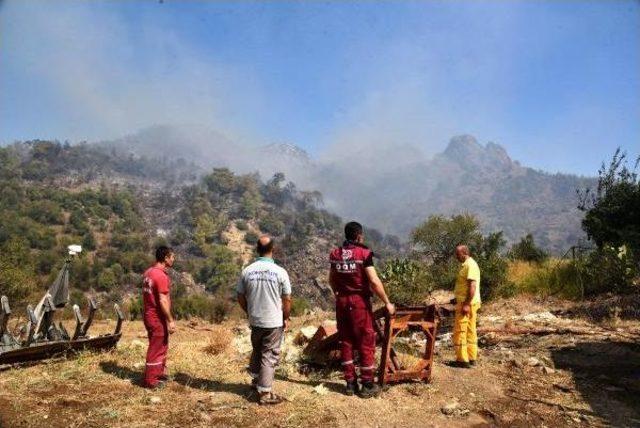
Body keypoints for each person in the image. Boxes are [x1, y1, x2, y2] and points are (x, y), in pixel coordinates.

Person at [329, 221, 395, 398]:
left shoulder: (335, 254)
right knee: (366, 340)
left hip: (341, 302)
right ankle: (367, 383)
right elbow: (373, 281)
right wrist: (387, 302)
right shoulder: (364, 254)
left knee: (346, 340)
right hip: (359, 302)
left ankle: (350, 383)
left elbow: (331, 279)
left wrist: (338, 293)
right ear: (359, 236)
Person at [237, 235, 292, 405]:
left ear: (257, 250)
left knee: (257, 350)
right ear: (272, 249)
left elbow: (240, 295)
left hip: (256, 320)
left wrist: (249, 311)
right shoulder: (280, 272)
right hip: (273, 322)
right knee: (270, 355)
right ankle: (265, 393)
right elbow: (287, 299)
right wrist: (286, 317)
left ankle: (255, 383)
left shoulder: (247, 271)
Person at [142, 245, 176, 388]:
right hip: (156, 317)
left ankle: (159, 373)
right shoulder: (160, 276)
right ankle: (151, 380)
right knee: (156, 347)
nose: (174, 259)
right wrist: (170, 320)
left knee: (161, 344)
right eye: (172, 257)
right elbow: (162, 300)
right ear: (166, 258)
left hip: (149, 314)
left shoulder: (148, 272)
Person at [451, 244, 481, 368]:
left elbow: (472, 286)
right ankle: (471, 357)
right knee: (470, 331)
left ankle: (462, 360)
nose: (456, 257)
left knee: (460, 331)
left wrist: (466, 304)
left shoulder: (470, 265)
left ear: (464, 253)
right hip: (468, 302)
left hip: (467, 303)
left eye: (458, 254)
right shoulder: (468, 265)